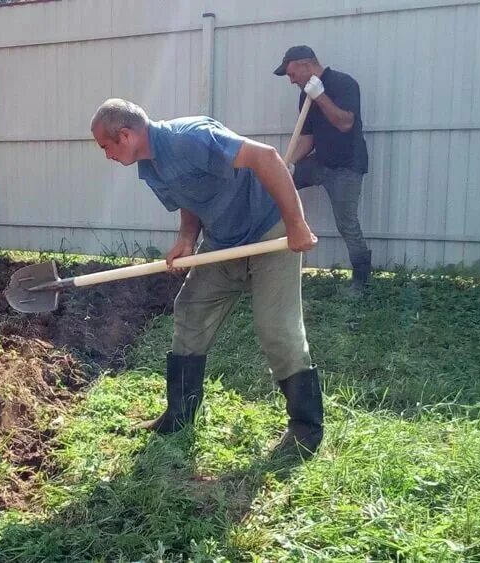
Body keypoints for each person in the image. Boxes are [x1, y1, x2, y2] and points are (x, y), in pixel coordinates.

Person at [89, 98, 323, 458]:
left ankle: (306, 428)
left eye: (105, 147)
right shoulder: (150, 166)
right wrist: (186, 238)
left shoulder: (190, 138)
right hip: (224, 241)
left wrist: (295, 225)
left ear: (125, 134)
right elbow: (190, 196)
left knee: (276, 326)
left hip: (268, 232)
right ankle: (179, 414)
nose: (104, 155)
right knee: (192, 309)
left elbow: (267, 158)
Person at [275, 45, 372, 294]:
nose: (290, 79)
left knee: (346, 222)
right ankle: (266, 259)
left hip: (347, 167)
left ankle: (362, 281)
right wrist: (286, 164)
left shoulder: (344, 84)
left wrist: (320, 96)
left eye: (291, 73)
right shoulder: (304, 95)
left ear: (306, 64)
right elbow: (307, 140)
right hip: (320, 163)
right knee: (275, 184)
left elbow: (345, 123)